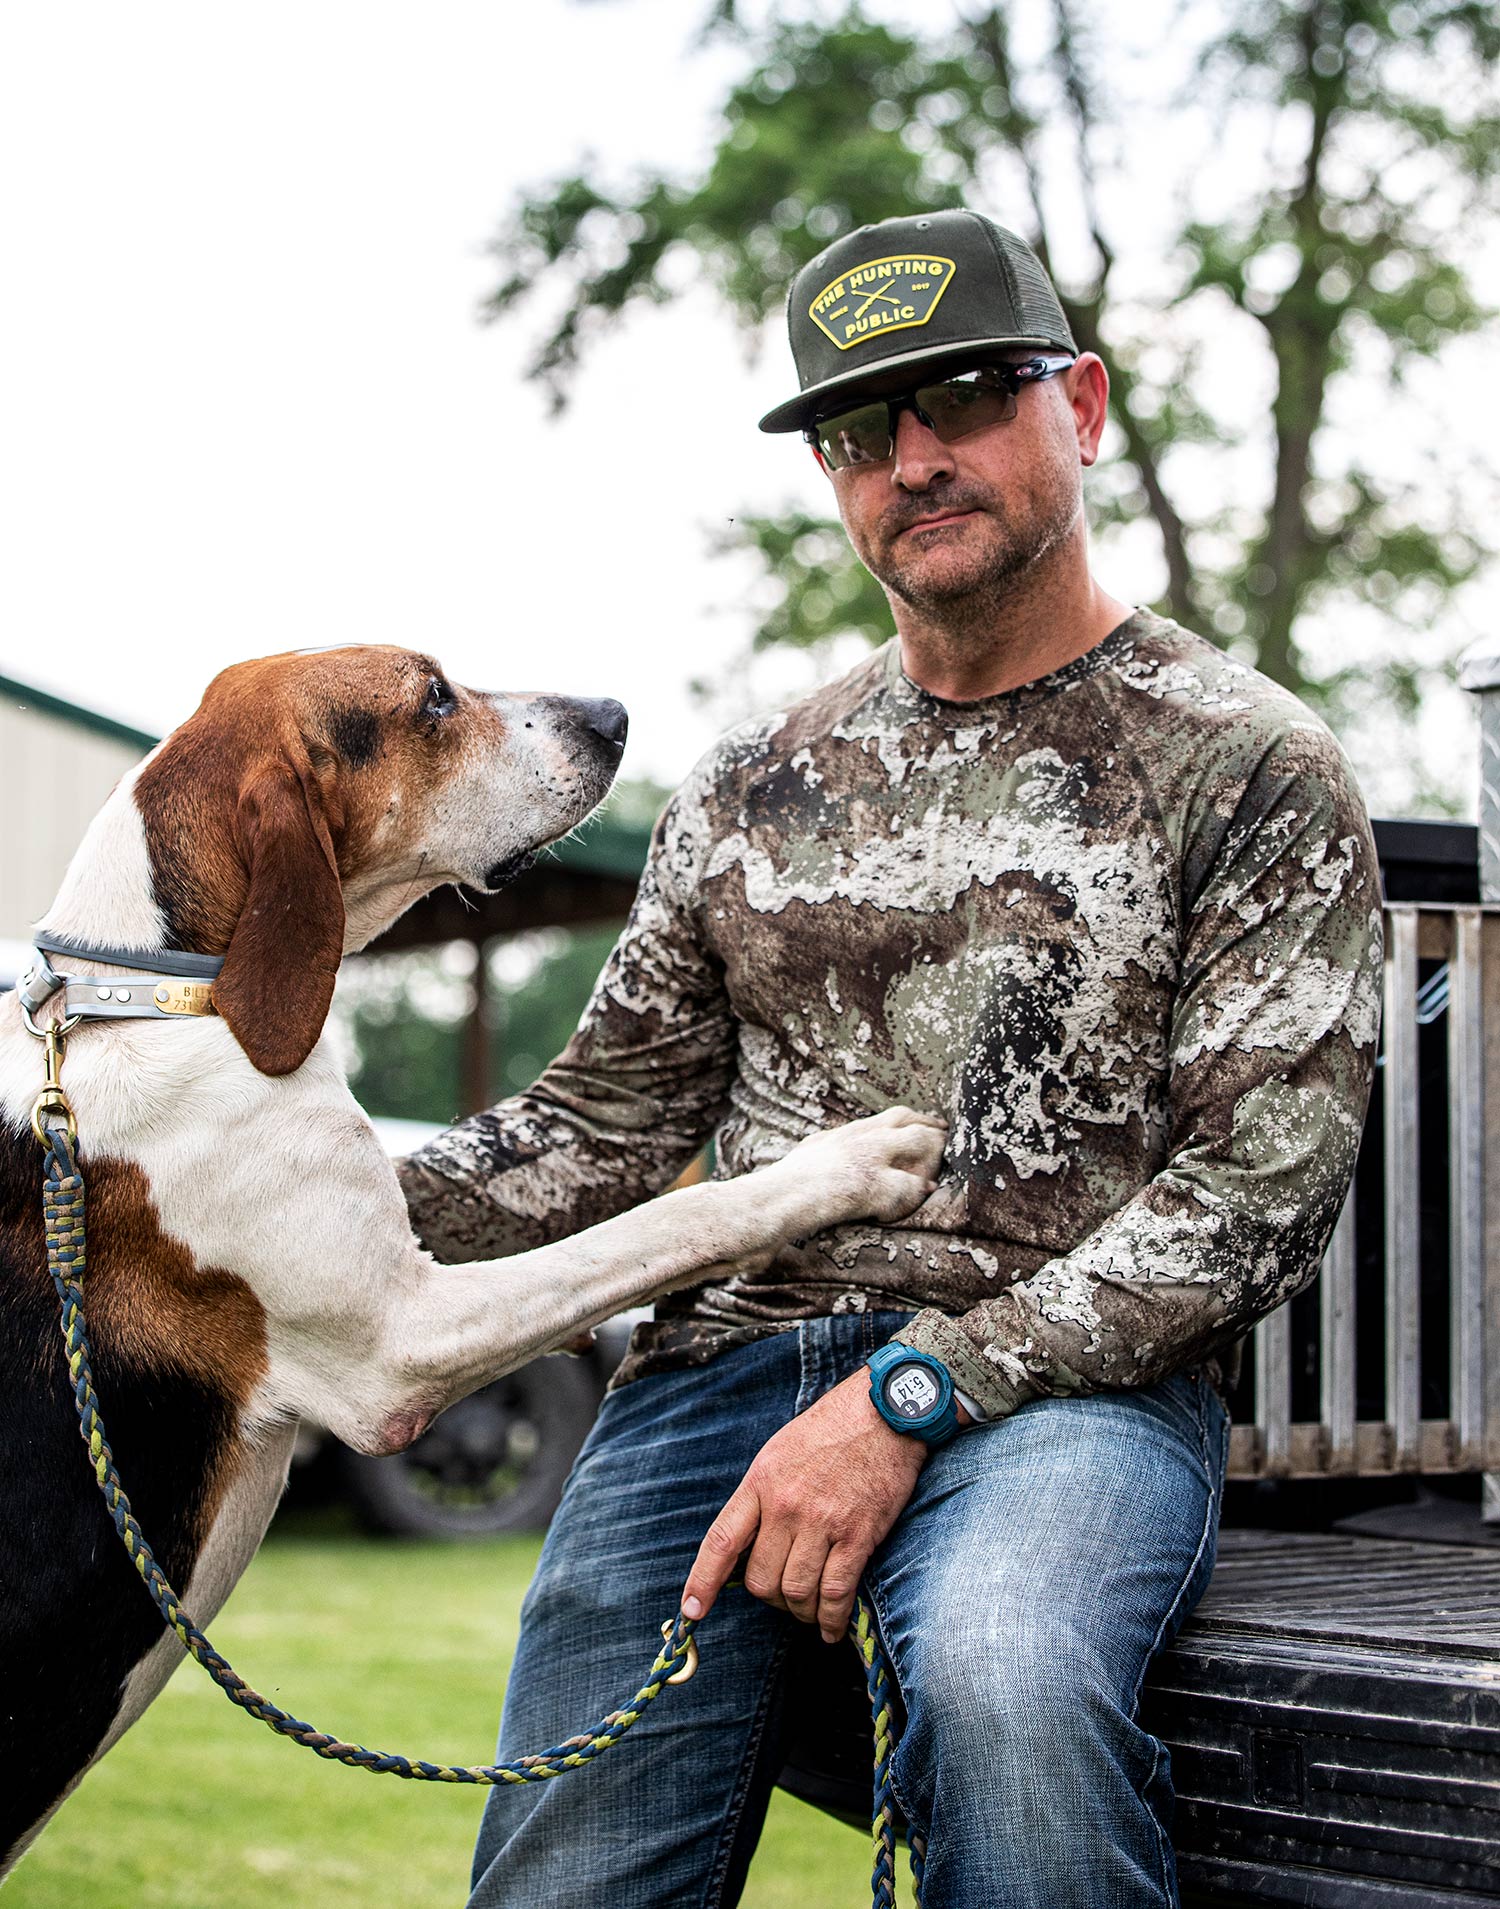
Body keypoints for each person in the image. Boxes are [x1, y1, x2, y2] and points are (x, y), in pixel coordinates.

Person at [398, 207, 1382, 1908]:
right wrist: (282, 1203)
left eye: (966, 397)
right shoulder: (749, 784)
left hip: (1061, 1395)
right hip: (721, 1380)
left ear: (1079, 402)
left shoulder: (1249, 765)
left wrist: (909, 1398)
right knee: (570, 1851)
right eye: (861, 430)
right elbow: (597, 1132)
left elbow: (1250, 1203)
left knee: (1008, 1685)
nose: (913, 460)